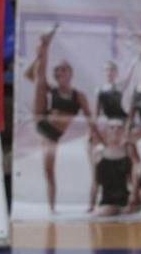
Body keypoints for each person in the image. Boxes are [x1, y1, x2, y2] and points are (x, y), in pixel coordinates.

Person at [31, 25, 95, 213]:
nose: (61, 74)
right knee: (39, 79)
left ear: (70, 73)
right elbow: (42, 77)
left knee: (49, 170)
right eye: (59, 72)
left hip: (54, 134)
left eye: (65, 71)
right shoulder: (53, 90)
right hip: (42, 124)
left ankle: (43, 45)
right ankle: (45, 45)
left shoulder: (78, 95)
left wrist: (95, 134)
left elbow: (90, 118)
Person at [87, 118, 133, 217]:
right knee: (101, 213)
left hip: (126, 199)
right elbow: (95, 182)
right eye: (112, 127)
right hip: (107, 200)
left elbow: (132, 181)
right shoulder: (98, 153)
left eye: (119, 128)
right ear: (106, 131)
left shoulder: (128, 151)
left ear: (123, 131)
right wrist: (91, 205)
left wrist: (131, 203)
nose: (115, 130)